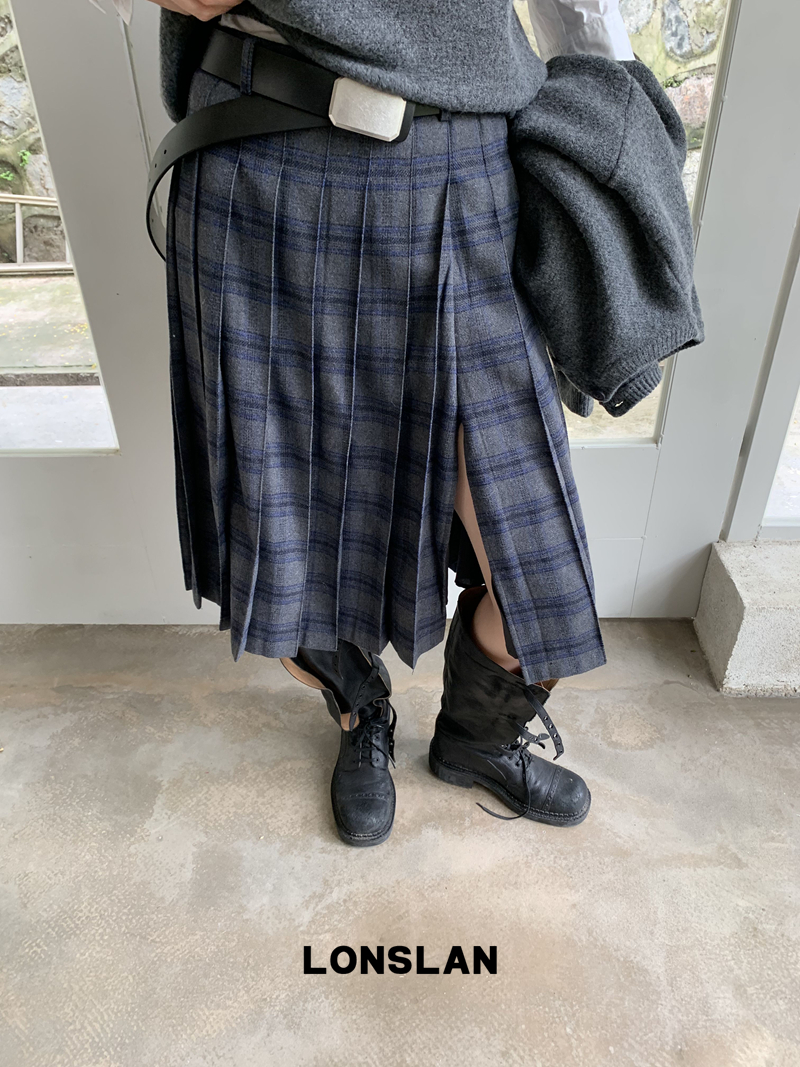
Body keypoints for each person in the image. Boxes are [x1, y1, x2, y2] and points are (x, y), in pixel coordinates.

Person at [140, 0, 683, 847]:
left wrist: (611, 114)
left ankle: (476, 738)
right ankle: (359, 710)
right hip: (259, 145)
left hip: (458, 163)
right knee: (297, 522)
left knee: (533, 568)